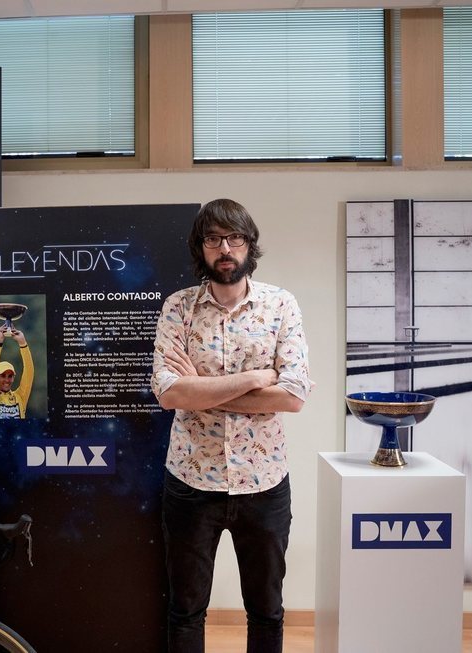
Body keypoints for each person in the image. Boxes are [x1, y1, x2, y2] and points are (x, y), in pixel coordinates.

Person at [151, 199, 312, 653]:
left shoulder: (281, 305)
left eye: (234, 238)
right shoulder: (178, 308)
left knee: (266, 611)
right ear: (199, 248)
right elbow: (168, 394)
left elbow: (294, 396)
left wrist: (202, 386)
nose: (225, 248)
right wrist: (255, 379)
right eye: (213, 239)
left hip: (264, 485)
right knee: (186, 610)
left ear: (249, 244)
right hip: (190, 481)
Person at [0, 325, 34, 419]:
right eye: (3, 375)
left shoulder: (20, 396)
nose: (7, 380)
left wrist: (23, 343)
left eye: (10, 376)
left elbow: (29, 372)